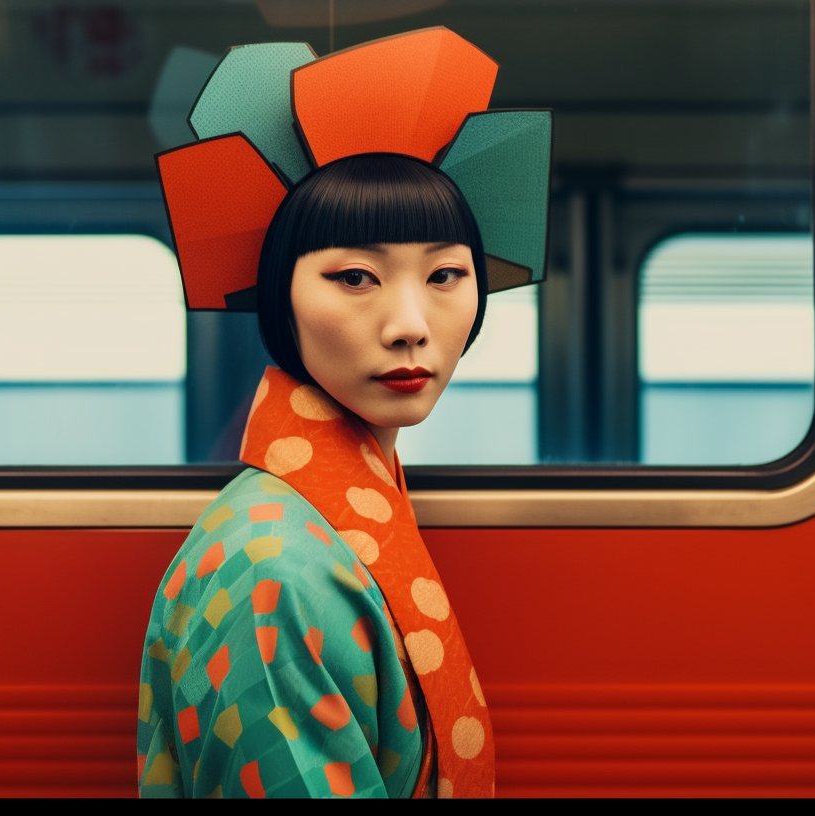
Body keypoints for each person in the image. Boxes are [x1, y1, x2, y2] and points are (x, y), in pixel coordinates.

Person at [138, 28, 552, 799]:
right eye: (356, 277)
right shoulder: (276, 571)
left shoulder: (316, 521)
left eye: (446, 274)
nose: (409, 324)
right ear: (279, 296)